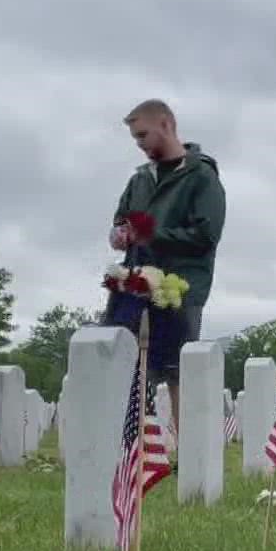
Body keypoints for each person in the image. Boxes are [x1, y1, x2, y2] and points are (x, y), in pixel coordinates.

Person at [111, 99, 227, 424]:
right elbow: (121, 218)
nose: (140, 145)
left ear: (166, 125)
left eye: (143, 135)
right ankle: (132, 460)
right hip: (134, 286)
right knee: (126, 368)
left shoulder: (201, 176)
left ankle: (187, 462)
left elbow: (206, 234)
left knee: (178, 374)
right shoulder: (139, 180)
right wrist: (120, 233)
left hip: (180, 290)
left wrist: (149, 233)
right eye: (135, 138)